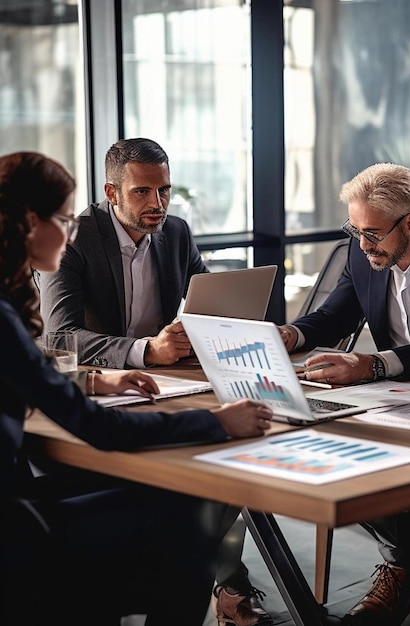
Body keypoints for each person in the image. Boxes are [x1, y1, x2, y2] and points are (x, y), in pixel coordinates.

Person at [0, 151, 273, 626]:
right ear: (28, 223)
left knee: (174, 498)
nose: (69, 231)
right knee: (191, 507)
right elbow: (97, 428)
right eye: (63, 219)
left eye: (163, 190)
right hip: (17, 530)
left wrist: (95, 379)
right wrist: (215, 421)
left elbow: (26, 373)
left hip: (18, 502)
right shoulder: (6, 317)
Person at [277, 163, 410, 624]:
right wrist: (291, 335)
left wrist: (373, 363)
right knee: (339, 470)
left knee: (385, 495)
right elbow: (333, 317)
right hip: (391, 398)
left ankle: (408, 571)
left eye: (372, 233)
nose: (362, 244)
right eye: (355, 230)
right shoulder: (364, 253)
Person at [39, 137, 205, 370]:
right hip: (98, 377)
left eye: (164, 190)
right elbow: (59, 337)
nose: (157, 203)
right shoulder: (70, 240)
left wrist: (265, 333)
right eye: (141, 192)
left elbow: (210, 305)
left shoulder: (177, 233)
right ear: (111, 193)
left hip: (169, 373)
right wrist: (146, 351)